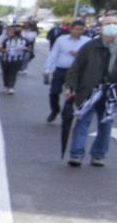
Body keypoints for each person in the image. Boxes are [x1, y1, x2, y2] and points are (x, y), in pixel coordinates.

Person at [61, 15, 117, 167]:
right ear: (101, 27)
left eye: (114, 23)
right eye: (108, 24)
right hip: (89, 91)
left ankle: (98, 155)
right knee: (83, 122)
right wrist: (71, 86)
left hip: (111, 93)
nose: (112, 26)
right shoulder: (90, 47)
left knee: (105, 125)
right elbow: (76, 68)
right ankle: (76, 154)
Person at [46, 16, 90, 149]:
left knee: (70, 96)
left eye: (81, 29)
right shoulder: (61, 40)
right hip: (61, 70)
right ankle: (55, 110)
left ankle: (67, 117)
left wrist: (79, 54)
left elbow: (90, 58)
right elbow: (53, 54)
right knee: (54, 92)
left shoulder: (87, 42)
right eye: (76, 29)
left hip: (76, 73)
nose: (78, 31)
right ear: (71, 29)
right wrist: (47, 68)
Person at [0, 25, 33, 95]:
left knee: (13, 73)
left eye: (19, 30)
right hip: (6, 59)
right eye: (16, 30)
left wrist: (25, 49)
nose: (17, 32)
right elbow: (1, 48)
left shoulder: (24, 40)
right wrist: (5, 50)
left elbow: (29, 49)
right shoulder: (7, 40)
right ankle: (6, 85)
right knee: (6, 73)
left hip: (17, 59)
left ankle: (11, 87)